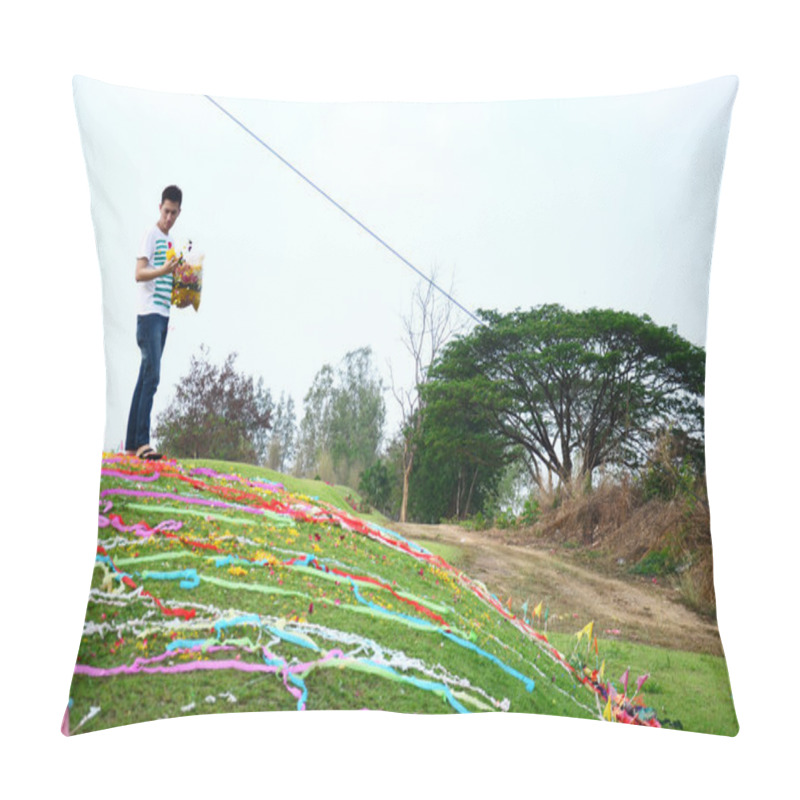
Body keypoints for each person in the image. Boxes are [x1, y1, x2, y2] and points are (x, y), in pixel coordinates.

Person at [125, 185, 183, 460]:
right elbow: (139, 273)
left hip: (163, 315)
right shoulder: (151, 234)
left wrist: (181, 292)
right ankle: (142, 442)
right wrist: (163, 270)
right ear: (160, 207)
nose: (169, 217)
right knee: (153, 376)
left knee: (144, 376)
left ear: (179, 213)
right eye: (166, 211)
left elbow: (165, 280)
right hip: (148, 315)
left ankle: (130, 444)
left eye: (174, 213)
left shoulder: (170, 242)